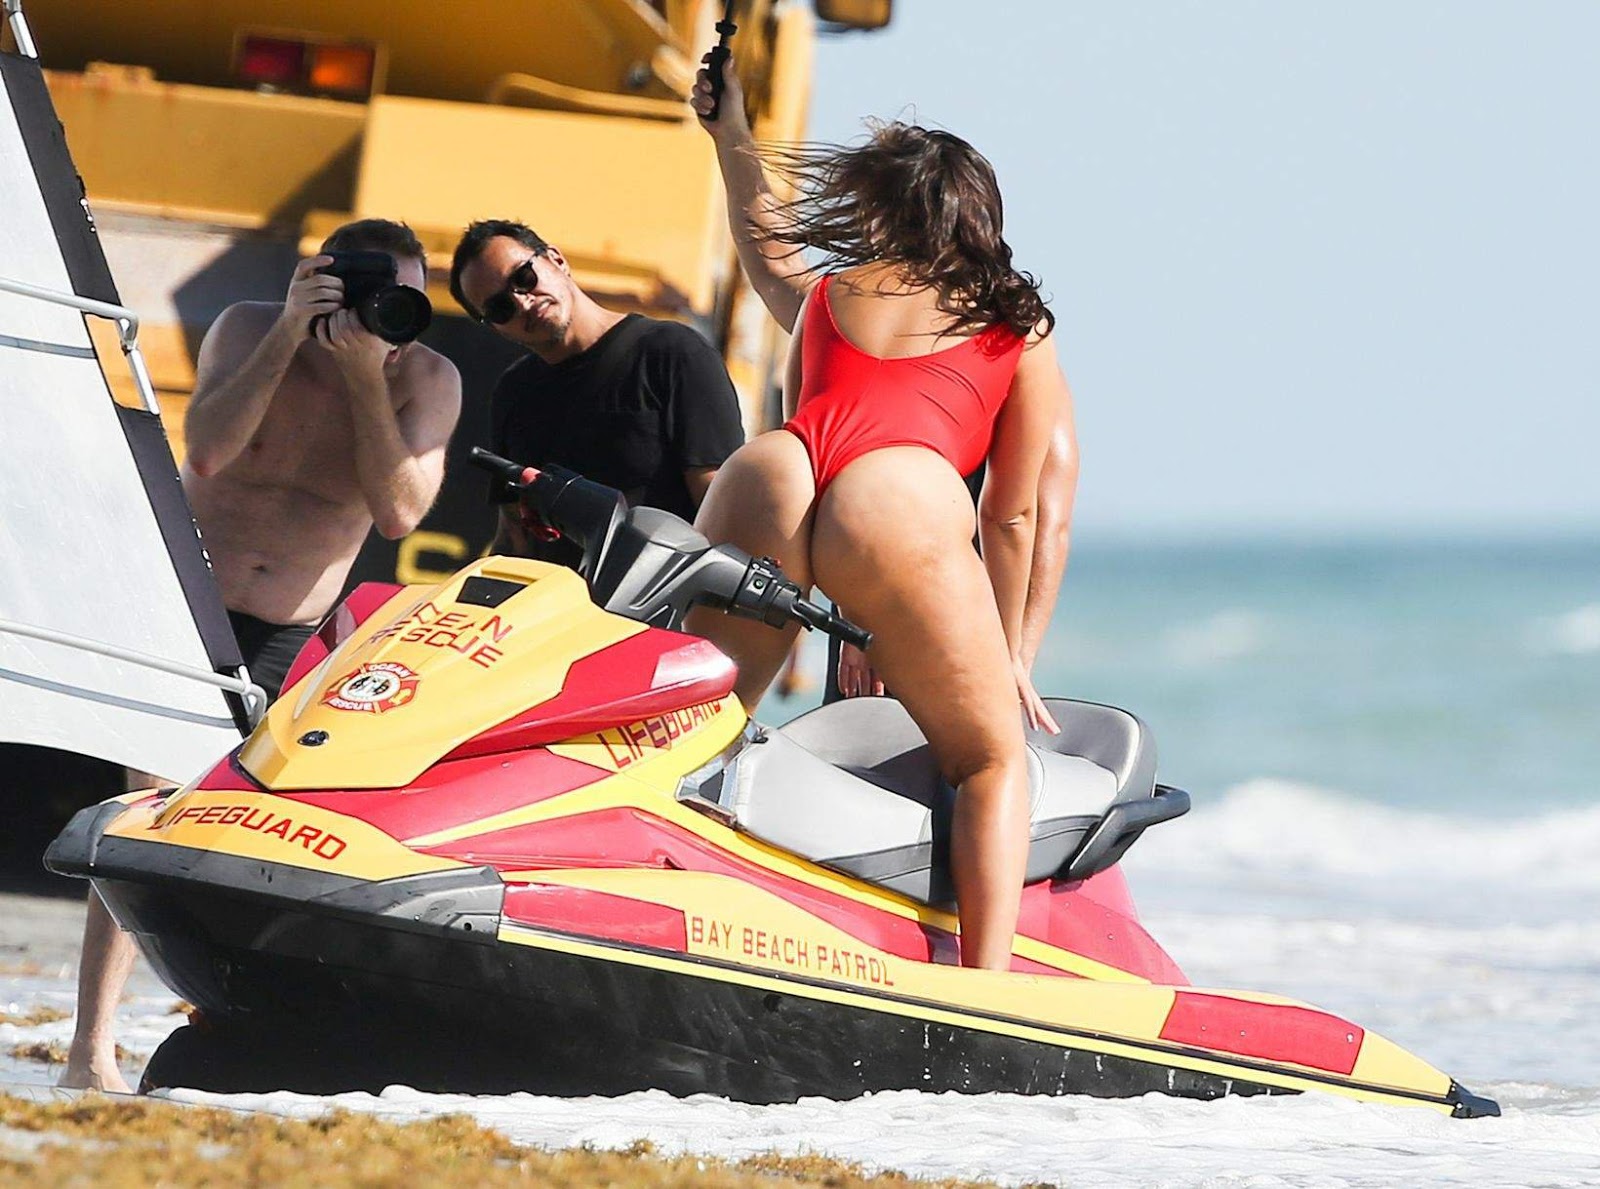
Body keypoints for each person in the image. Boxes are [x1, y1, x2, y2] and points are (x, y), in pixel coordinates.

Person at [60, 218, 463, 1092]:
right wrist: (289, 330)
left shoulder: (427, 378)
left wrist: (366, 378)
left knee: (253, 833)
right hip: (190, 598)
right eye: (363, 292)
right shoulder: (251, 327)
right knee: (143, 810)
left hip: (290, 630)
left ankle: (230, 1026)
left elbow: (398, 511)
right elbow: (208, 451)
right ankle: (91, 1045)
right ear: (319, 281)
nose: (382, 315)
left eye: (403, 300)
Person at [687, 83, 1072, 972]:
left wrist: (731, 133)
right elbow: (1011, 512)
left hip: (773, 471)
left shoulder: (827, 292)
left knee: (693, 727)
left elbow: (770, 260)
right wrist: (1008, 653)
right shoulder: (1015, 321)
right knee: (992, 764)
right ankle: (984, 995)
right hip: (894, 503)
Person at [694, 60, 1078, 707]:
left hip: (928, 606)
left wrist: (1007, 658)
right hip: (889, 601)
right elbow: (1041, 518)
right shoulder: (980, 333)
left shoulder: (1011, 344)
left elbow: (1040, 516)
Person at [448, 220, 745, 566]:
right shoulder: (514, 391)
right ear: (495, 327)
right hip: (560, 599)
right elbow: (514, 534)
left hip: (661, 595)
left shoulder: (672, 353)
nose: (523, 301)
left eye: (524, 277)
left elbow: (721, 507)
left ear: (556, 260)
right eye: (500, 307)